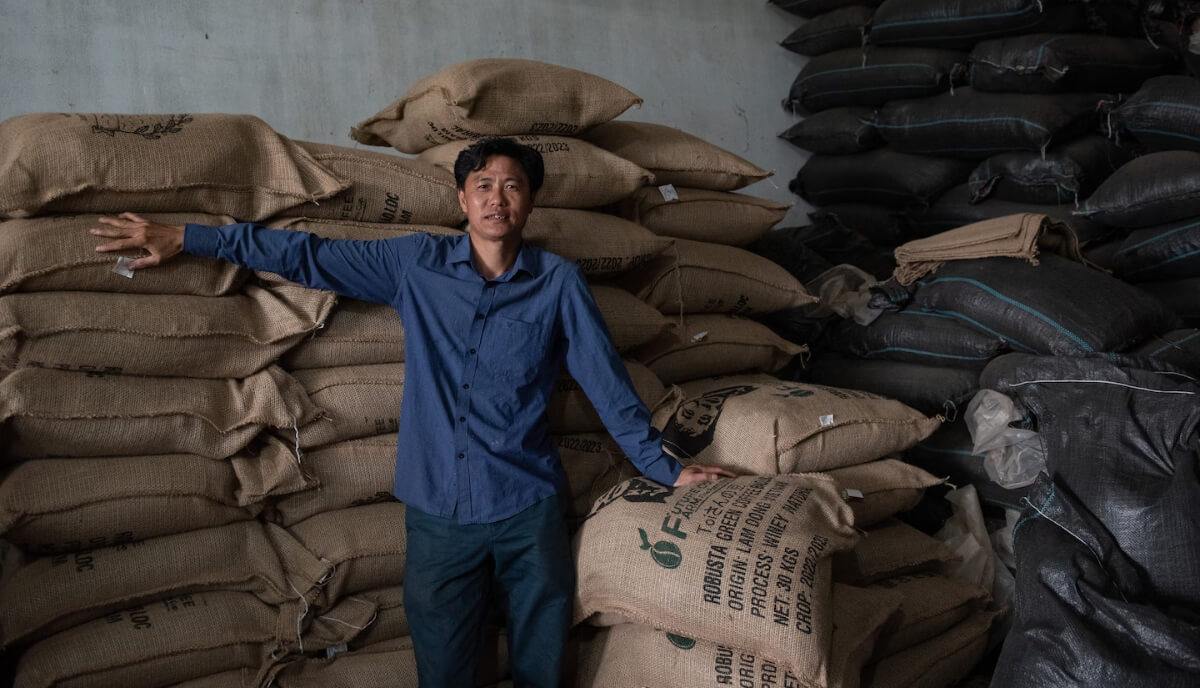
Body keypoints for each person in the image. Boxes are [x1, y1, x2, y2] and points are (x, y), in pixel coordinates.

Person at [90, 137, 733, 688]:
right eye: (483, 185)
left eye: (512, 186)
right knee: (444, 667)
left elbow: (605, 381)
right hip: (438, 515)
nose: (497, 198)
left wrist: (666, 469)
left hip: (527, 507)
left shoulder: (556, 282)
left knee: (542, 666)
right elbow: (308, 254)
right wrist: (189, 236)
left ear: (531, 202)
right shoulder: (416, 264)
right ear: (462, 199)